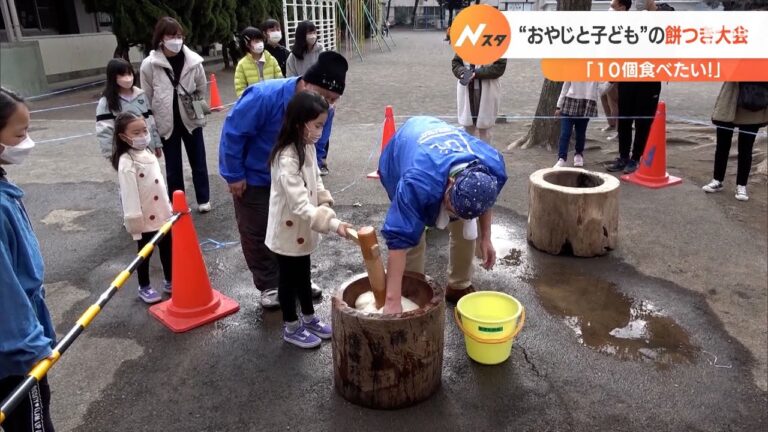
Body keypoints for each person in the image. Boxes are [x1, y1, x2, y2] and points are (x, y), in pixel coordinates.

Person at [219, 51, 348, 309]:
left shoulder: (323, 110)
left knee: (298, 226)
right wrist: (234, 174)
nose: (329, 104)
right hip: (256, 175)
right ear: (307, 83)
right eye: (325, 96)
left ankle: (298, 279)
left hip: (295, 175)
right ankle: (269, 283)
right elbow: (233, 133)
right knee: (257, 229)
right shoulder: (264, 96)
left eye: (333, 100)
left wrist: (316, 174)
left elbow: (319, 144)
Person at [378, 116, 508, 313]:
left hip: (443, 151)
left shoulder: (491, 165)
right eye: (450, 207)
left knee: (465, 227)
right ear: (449, 184)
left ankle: (459, 284)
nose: (452, 215)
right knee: (412, 234)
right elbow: (399, 238)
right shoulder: (417, 182)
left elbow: (485, 200)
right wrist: (392, 299)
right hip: (406, 146)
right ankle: (411, 293)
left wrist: (486, 238)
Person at [265, 91, 350, 348]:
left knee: (303, 276)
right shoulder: (287, 157)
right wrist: (333, 224)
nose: (320, 131)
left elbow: (316, 180)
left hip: (304, 226)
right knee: (288, 281)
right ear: (300, 123)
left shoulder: (307, 147)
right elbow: (299, 203)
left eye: (322, 125)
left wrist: (324, 199)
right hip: (287, 229)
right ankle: (291, 326)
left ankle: (310, 317)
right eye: (317, 125)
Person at [0, 87, 57, 431]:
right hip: (13, 359)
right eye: (20, 135)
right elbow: (5, 290)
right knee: (33, 423)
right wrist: (32, 346)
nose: (27, 142)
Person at [140, 16, 211, 213]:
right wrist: (151, 129)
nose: (176, 39)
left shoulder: (194, 61)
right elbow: (147, 96)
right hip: (166, 120)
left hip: (191, 118)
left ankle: (204, 198)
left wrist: (200, 115)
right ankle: (177, 202)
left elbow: (201, 88)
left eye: (179, 35)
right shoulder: (149, 64)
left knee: (198, 160)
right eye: (171, 35)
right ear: (161, 38)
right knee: (173, 166)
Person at [111, 112, 173, 304]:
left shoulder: (147, 152)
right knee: (144, 254)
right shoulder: (126, 161)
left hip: (161, 212)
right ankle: (144, 286)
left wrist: (168, 208)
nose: (142, 135)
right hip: (144, 217)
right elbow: (129, 194)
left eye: (144, 130)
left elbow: (160, 185)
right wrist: (134, 221)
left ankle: (170, 280)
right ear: (123, 137)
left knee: (167, 249)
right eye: (136, 132)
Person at [702, 82, 768, 201]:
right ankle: (717, 180)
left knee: (746, 149)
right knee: (722, 146)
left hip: (754, 103)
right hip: (729, 102)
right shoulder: (733, 62)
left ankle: (741, 185)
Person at [96, 58, 162, 158]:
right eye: (122, 75)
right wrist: (112, 154)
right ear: (113, 77)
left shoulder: (141, 95)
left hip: (147, 149)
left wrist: (157, 143)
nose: (127, 78)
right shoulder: (106, 102)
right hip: (125, 152)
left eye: (129, 73)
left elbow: (150, 121)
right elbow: (105, 130)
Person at [452, 54, 506, 143]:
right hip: (467, 90)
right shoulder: (465, 43)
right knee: (467, 127)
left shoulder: (497, 45)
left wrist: (476, 73)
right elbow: (456, 63)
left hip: (488, 89)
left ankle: (485, 154)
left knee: (486, 128)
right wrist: (462, 72)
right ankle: (469, 154)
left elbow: (499, 68)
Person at [554, 81, 600, 167]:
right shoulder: (573, 70)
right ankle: (562, 158)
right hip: (569, 103)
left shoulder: (594, 72)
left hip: (585, 104)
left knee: (580, 133)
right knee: (565, 133)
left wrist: (610, 83)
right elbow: (565, 88)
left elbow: (600, 90)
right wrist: (558, 106)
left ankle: (578, 154)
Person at [234, 27, 283, 98]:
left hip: (272, 101)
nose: (260, 43)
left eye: (261, 40)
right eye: (256, 41)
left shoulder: (271, 60)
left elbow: (280, 81)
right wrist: (249, 101)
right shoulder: (242, 64)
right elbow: (240, 88)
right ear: (247, 44)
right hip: (253, 104)